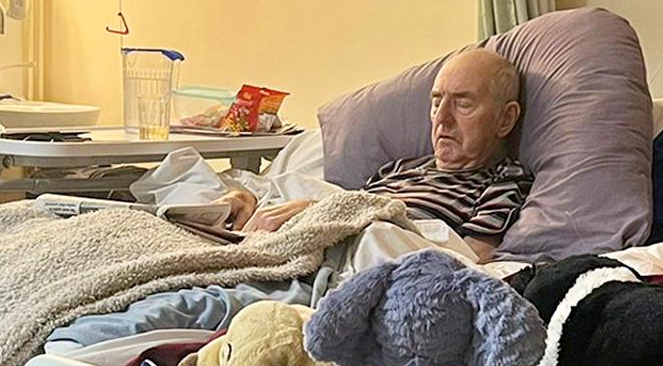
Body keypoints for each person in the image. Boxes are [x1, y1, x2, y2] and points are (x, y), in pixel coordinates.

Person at [215, 49, 532, 263]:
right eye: (437, 102)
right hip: (300, 238)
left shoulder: (504, 181)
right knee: (225, 193)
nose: (442, 119)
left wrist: (330, 214)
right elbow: (347, 206)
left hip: (360, 256)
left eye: (463, 104)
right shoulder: (399, 168)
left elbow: (469, 259)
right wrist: (255, 199)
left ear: (505, 119)